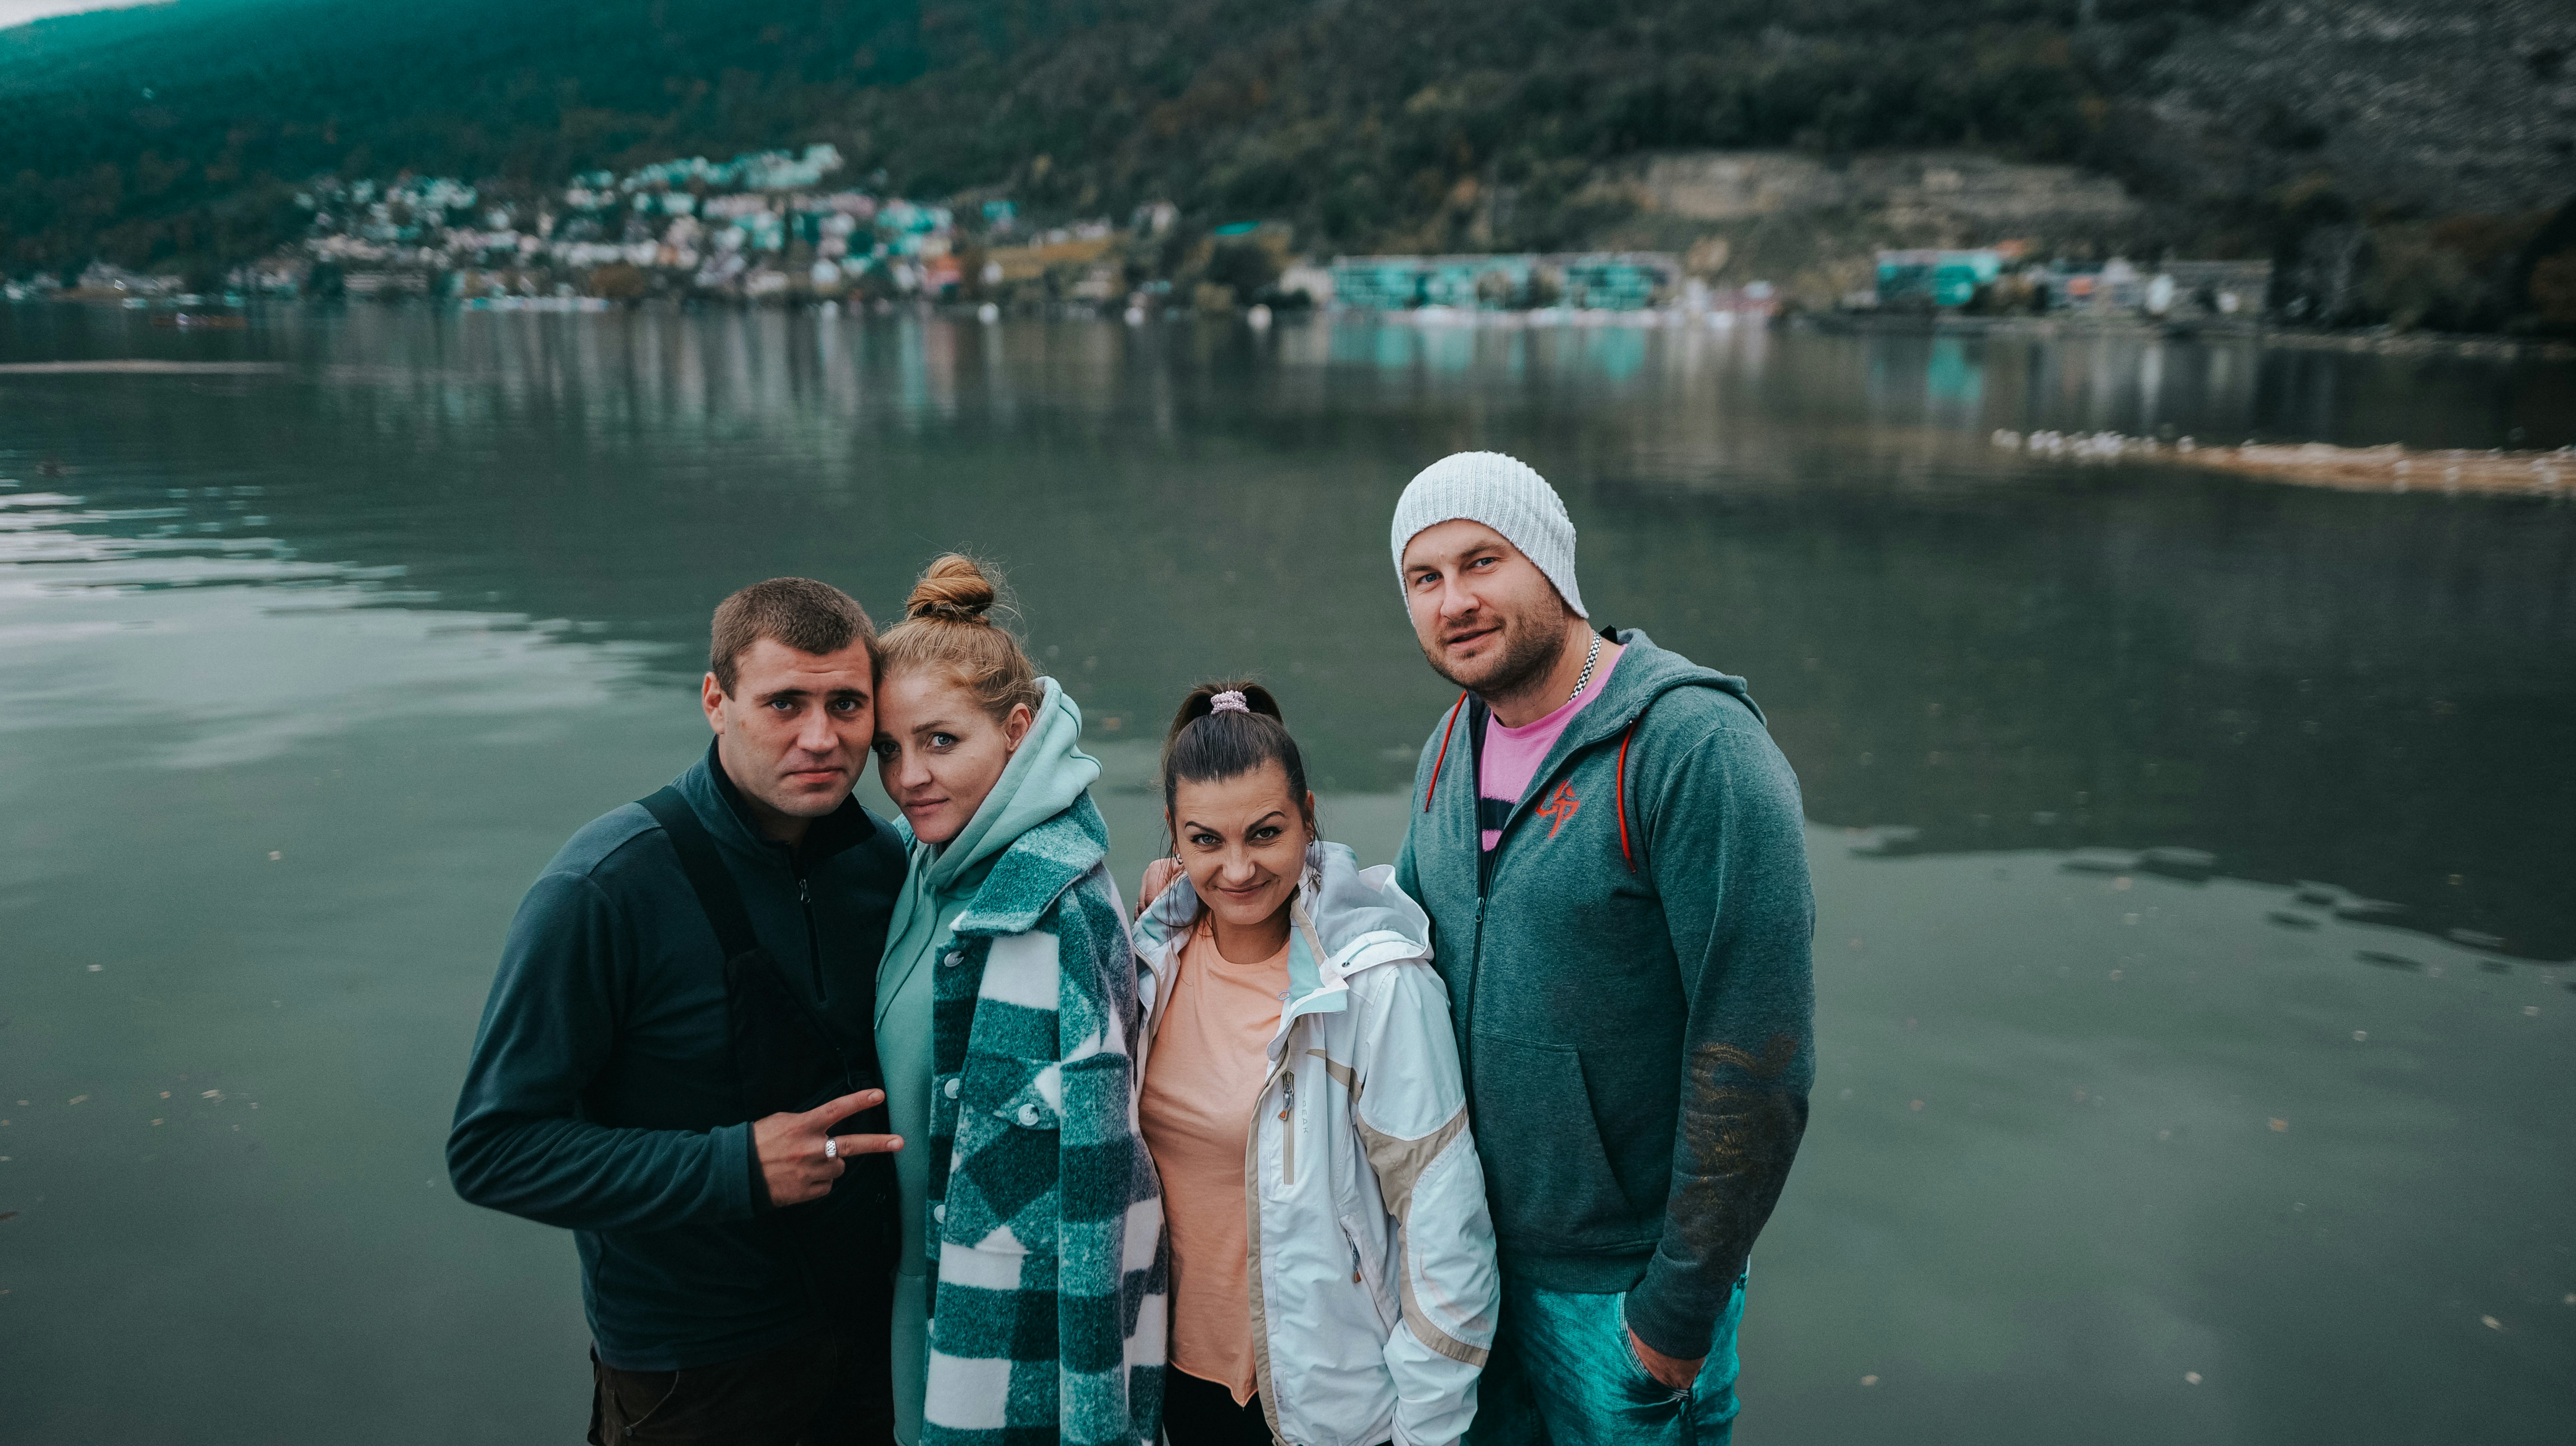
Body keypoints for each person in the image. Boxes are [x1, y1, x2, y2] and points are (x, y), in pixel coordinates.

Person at [1386, 453, 1816, 1446]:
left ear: (1550, 561)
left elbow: (1757, 1053)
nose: (1455, 600)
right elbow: (1396, 942)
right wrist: (1221, 898)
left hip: (1620, 1296)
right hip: (1466, 1270)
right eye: (1425, 578)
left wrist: (1674, 1315)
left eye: (1480, 561)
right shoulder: (1455, 739)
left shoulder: (1693, 749)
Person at [449, 577, 910, 1446]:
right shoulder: (604, 888)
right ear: (716, 700)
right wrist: (733, 1166)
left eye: (847, 703)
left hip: (871, 1337)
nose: (821, 736)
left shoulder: (885, 863)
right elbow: (492, 1150)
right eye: (785, 703)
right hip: (692, 1371)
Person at [1131, 684, 1499, 1446]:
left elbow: (1444, 1223)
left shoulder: (1376, 984)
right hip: (1169, 1383)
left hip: (1325, 1403)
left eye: (1265, 834)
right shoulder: (1146, 963)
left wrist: (1427, 1431)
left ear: (1307, 816)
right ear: (1173, 833)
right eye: (1206, 841)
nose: (1236, 870)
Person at [869, 555, 1166, 1446]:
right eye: (889, 749)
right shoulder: (918, 866)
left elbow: (1097, 1195)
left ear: (1018, 728)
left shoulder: (1050, 908)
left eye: (941, 740)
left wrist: (1096, 1420)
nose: (911, 775)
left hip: (1011, 1339)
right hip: (917, 1289)